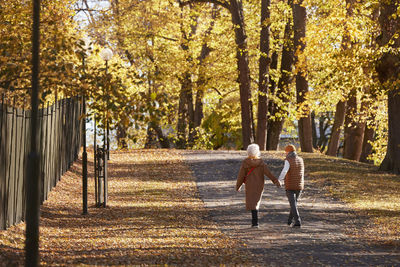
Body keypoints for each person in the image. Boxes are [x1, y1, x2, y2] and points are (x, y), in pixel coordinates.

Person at [236, 144, 281, 228]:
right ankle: (255, 222)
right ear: (257, 152)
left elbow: (241, 176)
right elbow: (268, 173)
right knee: (256, 202)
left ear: (248, 151)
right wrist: (275, 181)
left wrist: (238, 186)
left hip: (249, 185)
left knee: (252, 202)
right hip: (259, 185)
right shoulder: (261, 163)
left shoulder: (245, 162)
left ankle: (254, 222)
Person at [278, 144, 304, 228]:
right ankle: (289, 221)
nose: (285, 153)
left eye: (286, 152)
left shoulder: (288, 160)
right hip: (299, 185)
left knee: (293, 204)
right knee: (294, 204)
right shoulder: (301, 159)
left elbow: (284, 171)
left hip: (290, 185)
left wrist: (279, 180)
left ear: (288, 152)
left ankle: (297, 221)